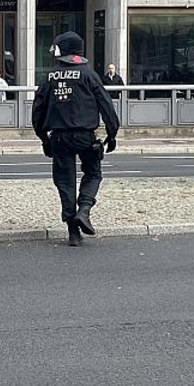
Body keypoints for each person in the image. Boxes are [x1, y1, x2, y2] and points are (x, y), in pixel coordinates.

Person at [32, 31, 121, 247]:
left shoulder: (50, 76)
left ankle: (73, 231)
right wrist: (112, 134)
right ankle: (85, 209)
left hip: (59, 137)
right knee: (93, 173)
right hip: (85, 135)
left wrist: (43, 138)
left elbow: (38, 110)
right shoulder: (89, 74)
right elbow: (106, 105)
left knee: (65, 182)